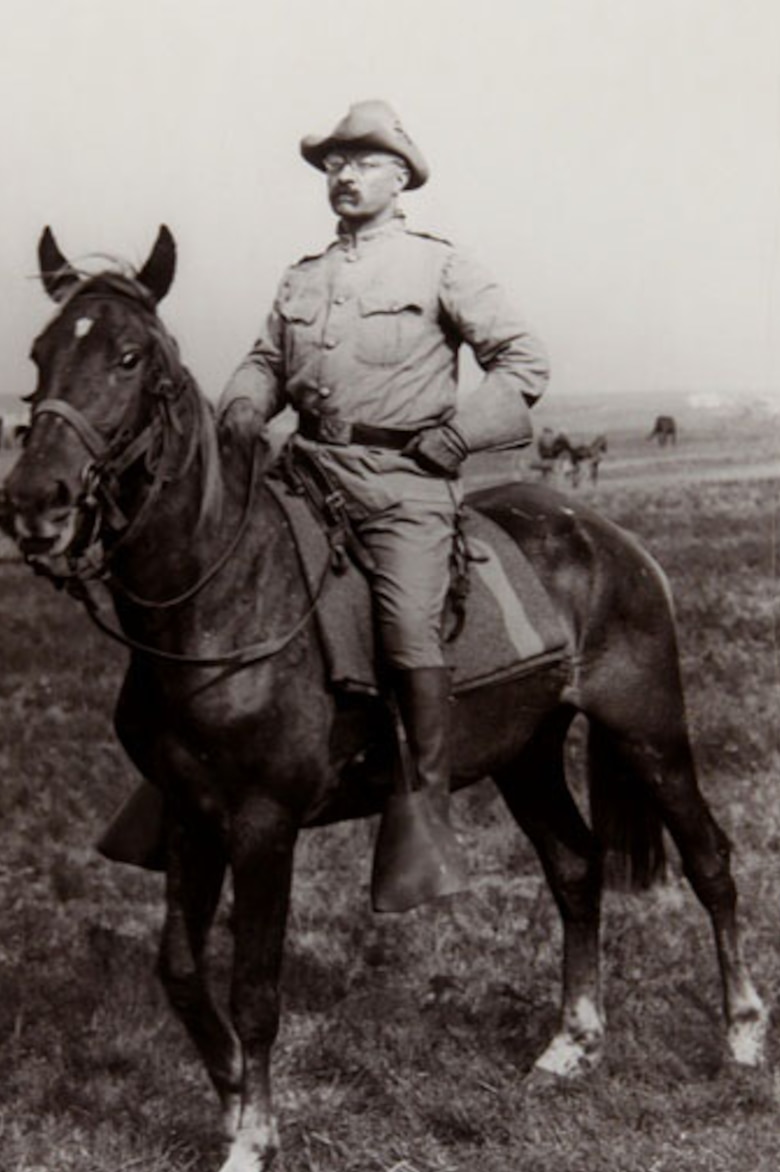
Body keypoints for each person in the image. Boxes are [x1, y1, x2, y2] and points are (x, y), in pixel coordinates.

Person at [218, 100, 550, 899]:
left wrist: (460, 436)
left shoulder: (439, 266)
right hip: (306, 473)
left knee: (406, 625)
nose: (344, 174)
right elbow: (266, 359)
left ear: (400, 176)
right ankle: (187, 781)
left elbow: (523, 362)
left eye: (363, 161)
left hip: (403, 485)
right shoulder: (303, 276)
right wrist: (240, 406)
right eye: (334, 162)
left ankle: (424, 815)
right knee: (223, 591)